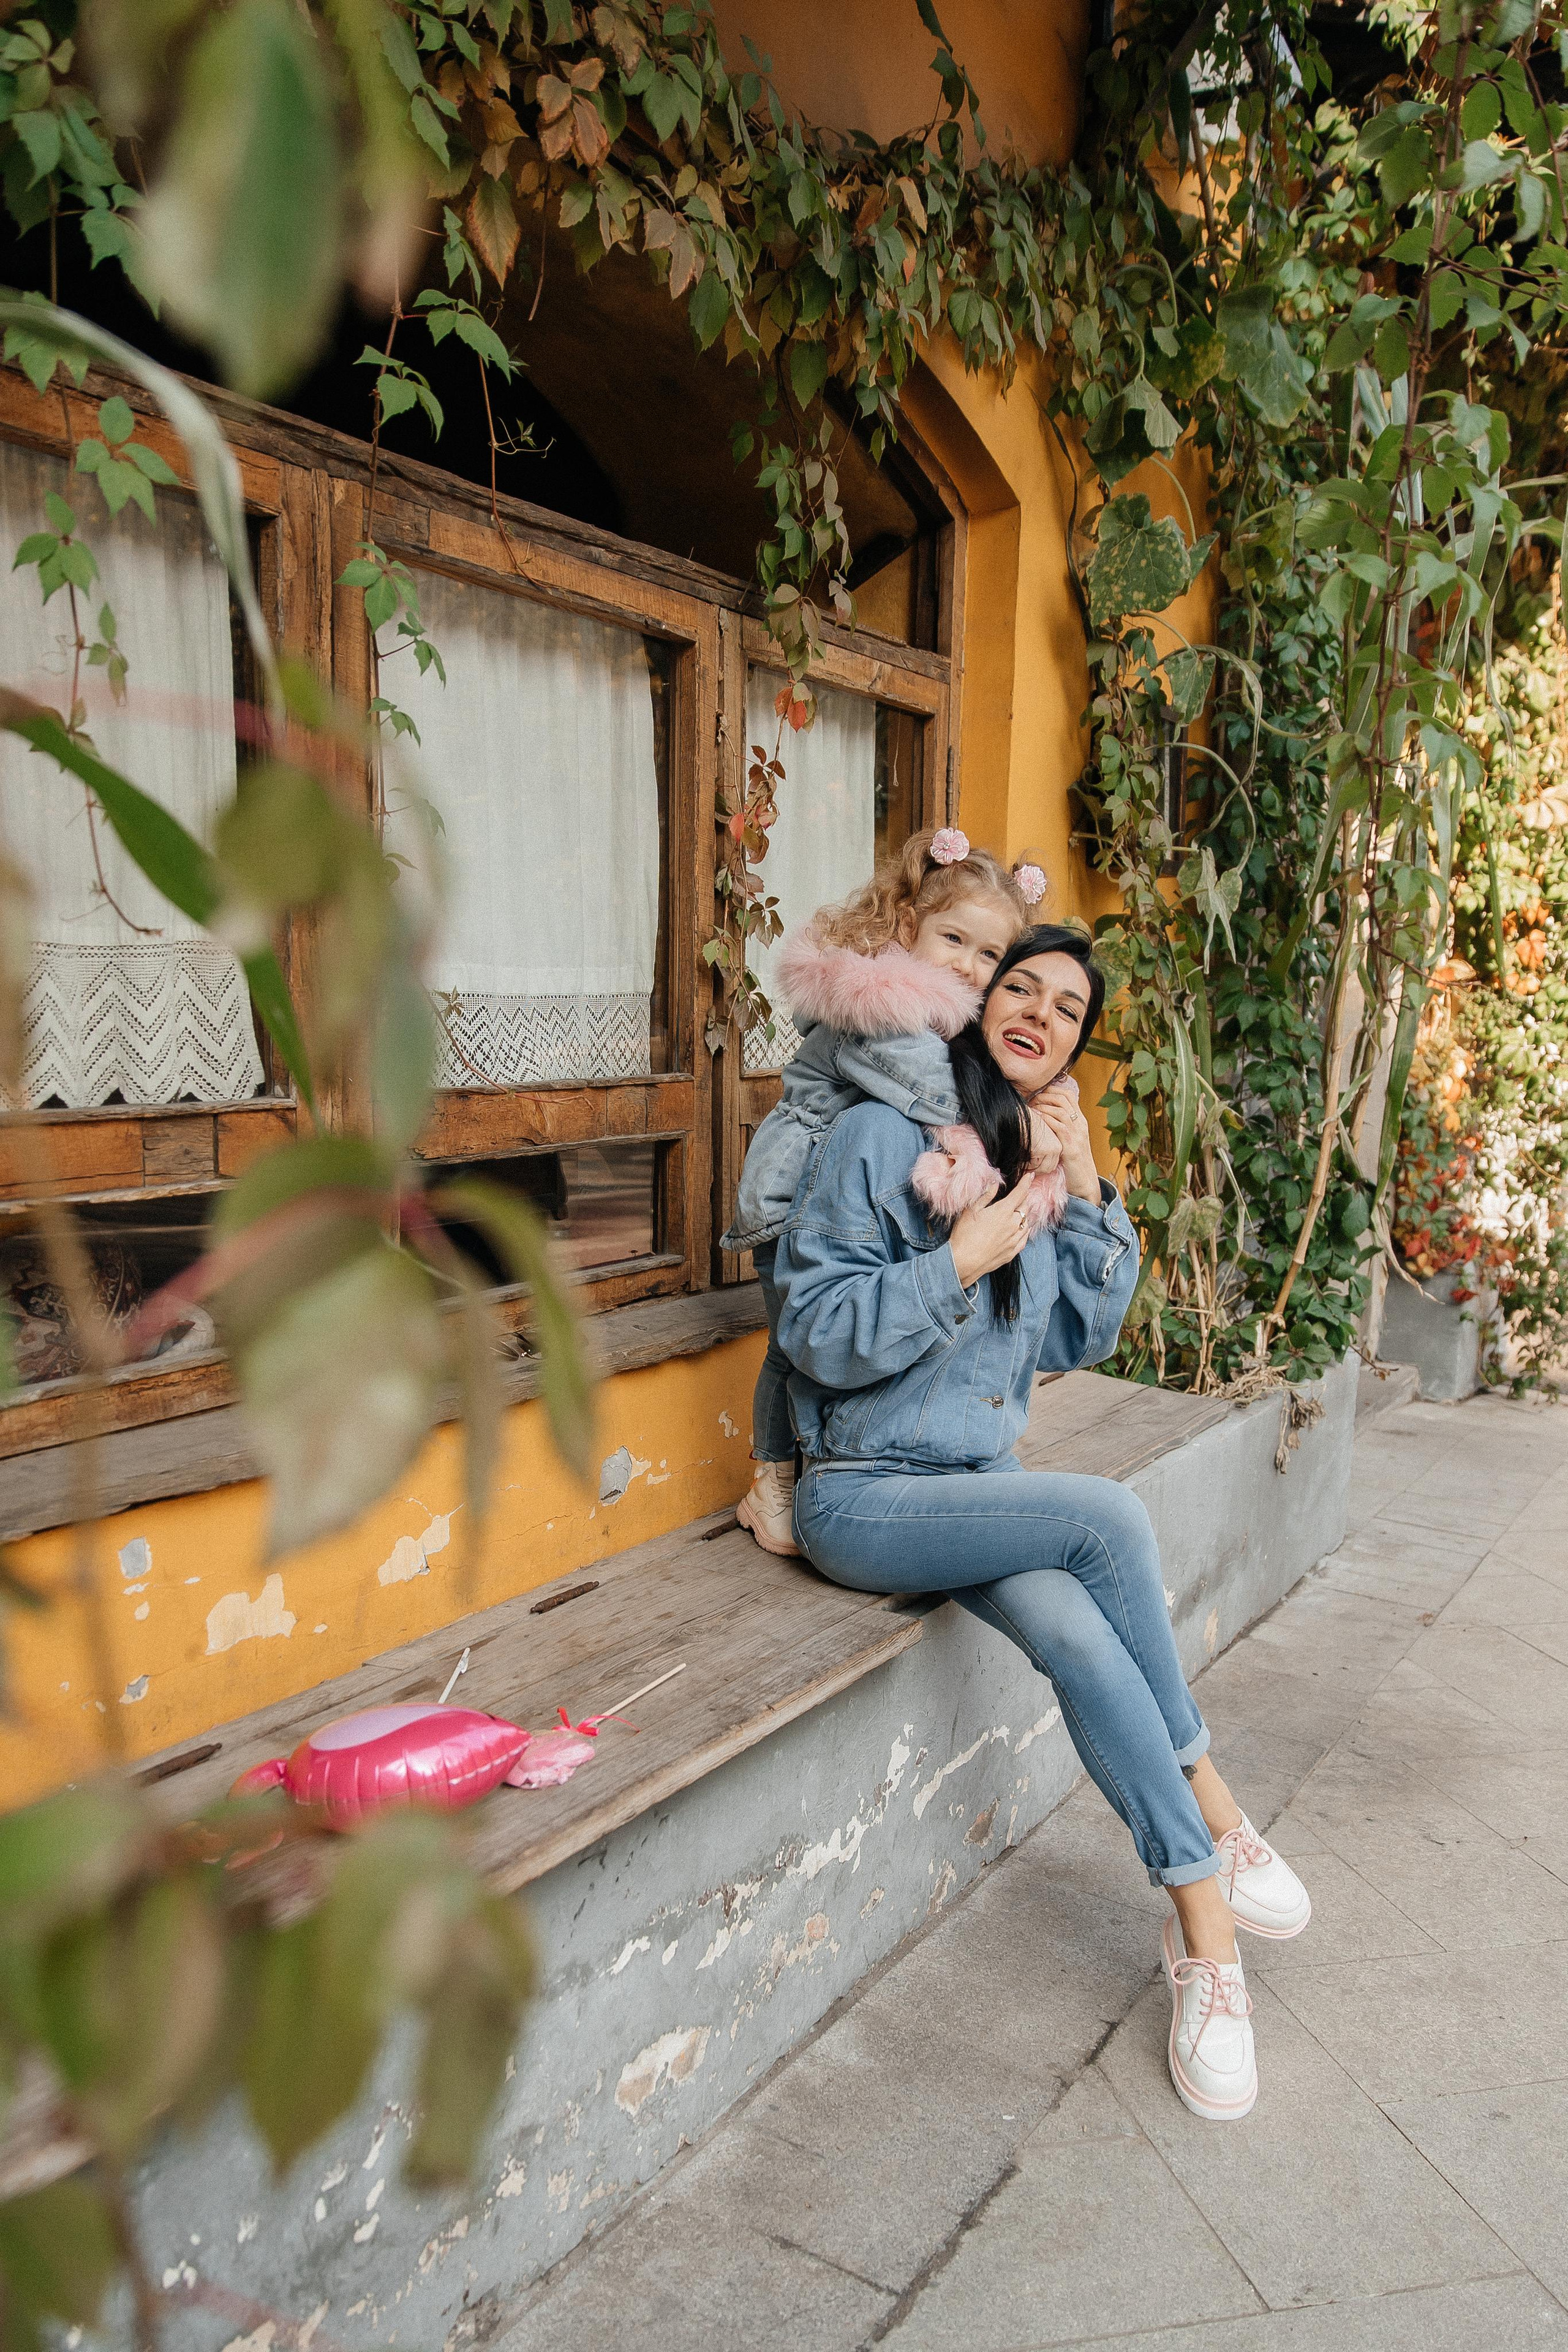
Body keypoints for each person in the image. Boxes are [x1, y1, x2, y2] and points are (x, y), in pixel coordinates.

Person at [772, 925, 1313, 2122]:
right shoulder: (874, 1137)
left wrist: (1086, 1189)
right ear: (977, 1007)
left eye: (1067, 1008)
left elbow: (1074, 1338)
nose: (1039, 1012)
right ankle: (1217, 1829)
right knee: (1106, 1516)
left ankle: (1199, 1944)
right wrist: (951, 1261)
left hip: (971, 1488)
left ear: (1072, 1044)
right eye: (1019, 986)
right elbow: (810, 1330)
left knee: (1077, 1637)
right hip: (859, 1495)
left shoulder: (1025, 1160)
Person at [723, 826, 1049, 1557]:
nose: (968, 966)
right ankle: (771, 1481)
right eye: (953, 939)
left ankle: (790, 1471)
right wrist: (1017, 1120)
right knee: (793, 1343)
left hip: (828, 1195)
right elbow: (929, 1091)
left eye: (989, 954)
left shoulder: (940, 1015)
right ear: (908, 926)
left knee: (798, 1340)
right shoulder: (885, 1003)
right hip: (791, 1200)